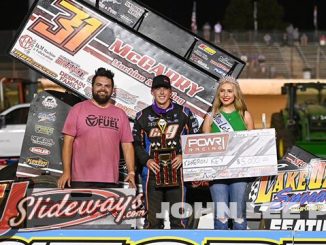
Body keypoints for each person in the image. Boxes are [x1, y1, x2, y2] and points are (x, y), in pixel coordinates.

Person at [133, 74, 199, 229]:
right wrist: (146, 160)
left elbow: (195, 138)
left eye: (165, 89)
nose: (161, 92)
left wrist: (183, 155)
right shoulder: (142, 116)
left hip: (177, 171)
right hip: (152, 173)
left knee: (179, 221)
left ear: (171, 92)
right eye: (158, 89)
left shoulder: (185, 113)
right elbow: (136, 143)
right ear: (152, 92)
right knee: (152, 222)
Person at [57, 67, 136, 189]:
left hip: (110, 180)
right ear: (92, 87)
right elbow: (68, 142)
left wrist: (131, 172)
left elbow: (127, 145)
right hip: (81, 179)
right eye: (99, 85)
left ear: (112, 90)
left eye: (107, 86)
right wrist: (66, 172)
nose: (103, 89)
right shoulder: (77, 109)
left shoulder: (120, 114)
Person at [202, 75, 254, 230]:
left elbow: (254, 146)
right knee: (221, 217)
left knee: (238, 217)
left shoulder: (245, 115)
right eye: (222, 91)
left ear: (235, 94)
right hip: (217, 174)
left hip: (239, 174)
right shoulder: (211, 118)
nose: (225, 94)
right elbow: (204, 149)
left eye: (229, 91)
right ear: (218, 94)